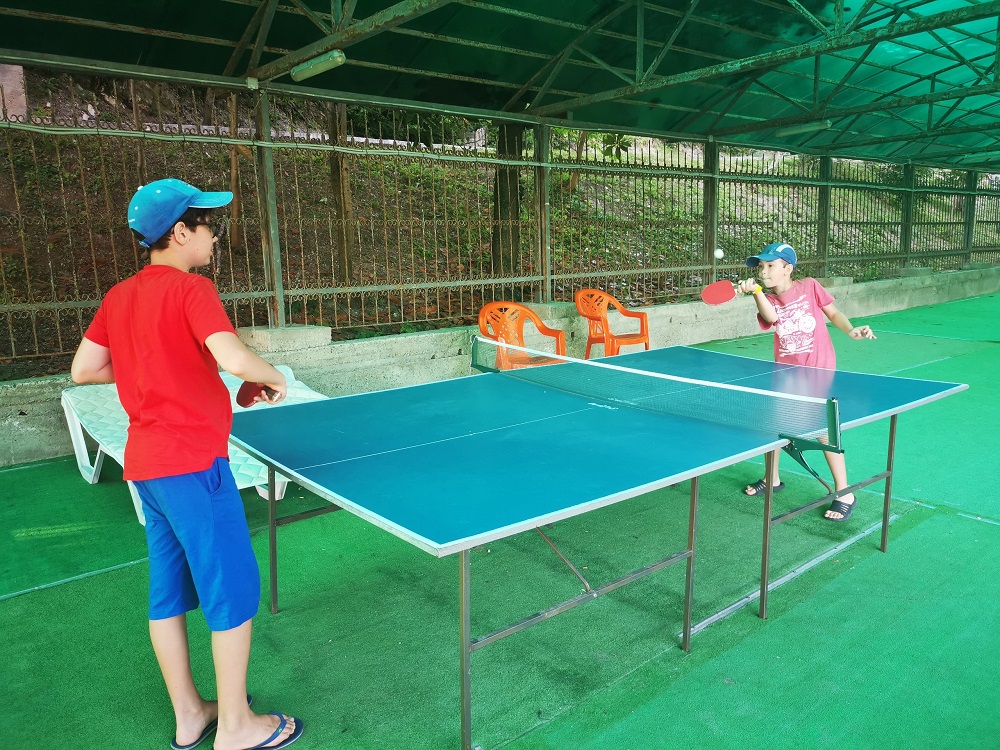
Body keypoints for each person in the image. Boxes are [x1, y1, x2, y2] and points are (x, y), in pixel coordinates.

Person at [71, 178, 304, 750]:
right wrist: (273, 376)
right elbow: (231, 357)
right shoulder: (193, 288)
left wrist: (156, 366)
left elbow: (85, 369)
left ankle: (191, 715)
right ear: (180, 232)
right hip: (193, 467)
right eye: (209, 225)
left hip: (147, 469)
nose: (215, 236)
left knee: (169, 594)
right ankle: (237, 727)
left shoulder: (118, 296)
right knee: (230, 592)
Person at [737, 241, 876, 522]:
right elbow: (771, 317)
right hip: (786, 374)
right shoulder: (768, 299)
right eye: (761, 266)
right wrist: (757, 293)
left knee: (823, 430)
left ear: (788, 269)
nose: (764, 271)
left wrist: (851, 330)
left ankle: (845, 492)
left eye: (770, 265)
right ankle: (772, 478)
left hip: (817, 371)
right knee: (776, 425)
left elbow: (833, 312)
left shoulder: (810, 286)